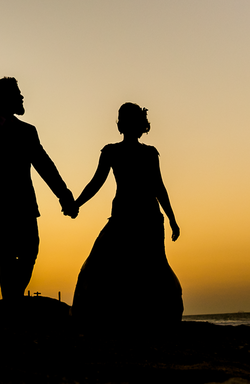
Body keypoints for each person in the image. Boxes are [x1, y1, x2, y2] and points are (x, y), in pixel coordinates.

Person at [0, 77, 78, 299]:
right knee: (3, 259)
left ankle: (13, 300)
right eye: (17, 93)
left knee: (29, 253)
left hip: (24, 206)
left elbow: (45, 166)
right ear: (4, 99)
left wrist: (65, 196)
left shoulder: (28, 131)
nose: (22, 97)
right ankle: (13, 306)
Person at [71, 103, 182, 328]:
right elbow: (97, 182)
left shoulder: (149, 153)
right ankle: (121, 316)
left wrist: (172, 219)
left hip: (147, 218)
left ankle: (151, 317)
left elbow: (159, 187)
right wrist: (77, 203)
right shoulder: (112, 152)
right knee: (110, 262)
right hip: (125, 217)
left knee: (149, 266)